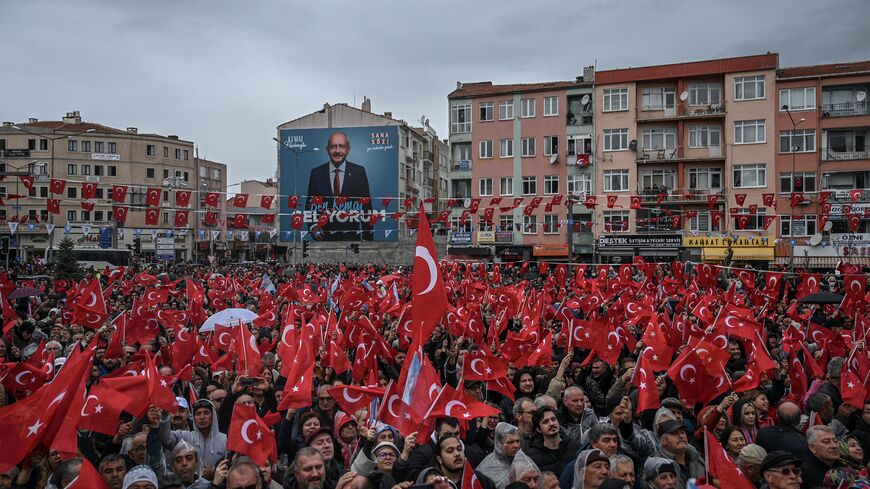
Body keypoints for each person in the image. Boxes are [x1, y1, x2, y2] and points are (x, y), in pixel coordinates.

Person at [306, 131, 373, 241]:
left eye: (341, 146)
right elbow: (309, 204)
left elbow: (366, 208)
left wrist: (367, 239)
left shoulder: (359, 172)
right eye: (333, 147)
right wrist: (313, 226)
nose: (337, 151)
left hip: (352, 238)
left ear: (348, 149)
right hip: (323, 239)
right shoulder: (316, 173)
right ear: (327, 150)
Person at [159, 399, 227, 479]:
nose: (202, 417)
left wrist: (215, 473)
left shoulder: (226, 440)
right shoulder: (184, 437)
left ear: (214, 415)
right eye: (198, 414)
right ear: (194, 417)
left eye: (206, 413)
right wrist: (164, 416)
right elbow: (165, 438)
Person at [525, 406, 582, 474]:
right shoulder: (532, 456)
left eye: (553, 419)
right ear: (538, 429)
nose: (551, 424)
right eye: (545, 422)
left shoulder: (577, 448)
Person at [651, 419, 704, 488]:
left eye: (683, 432)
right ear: (663, 440)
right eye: (675, 433)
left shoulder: (698, 459)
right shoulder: (656, 466)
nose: (681, 436)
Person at [477, 423, 522, 489]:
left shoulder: (523, 460)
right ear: (499, 444)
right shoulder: (485, 469)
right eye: (510, 442)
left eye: (517, 441)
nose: (516, 446)